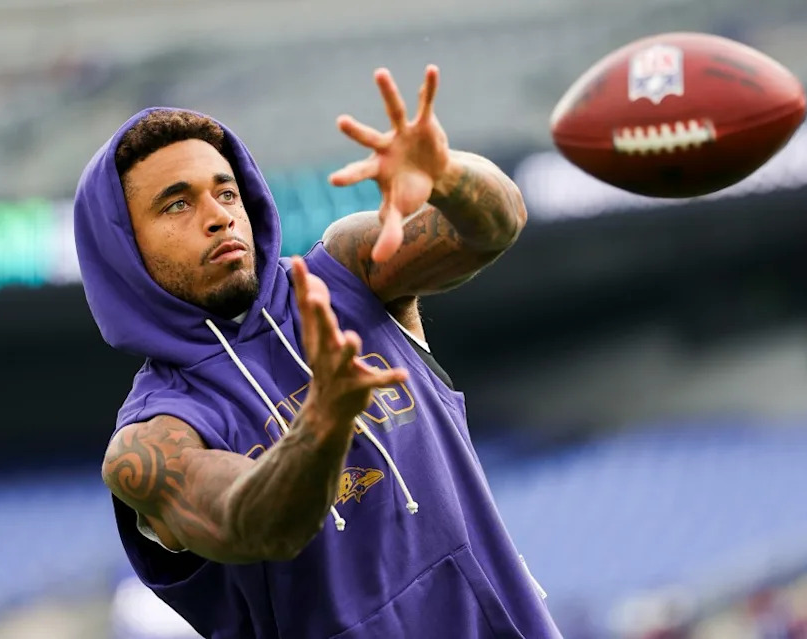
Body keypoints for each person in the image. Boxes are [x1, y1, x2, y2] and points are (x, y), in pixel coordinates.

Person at [75, 64, 561, 639]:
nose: (219, 216)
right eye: (177, 204)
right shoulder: (149, 441)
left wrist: (447, 175)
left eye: (227, 191)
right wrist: (322, 424)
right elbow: (252, 524)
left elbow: (496, 225)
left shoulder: (348, 273)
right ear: (123, 248)